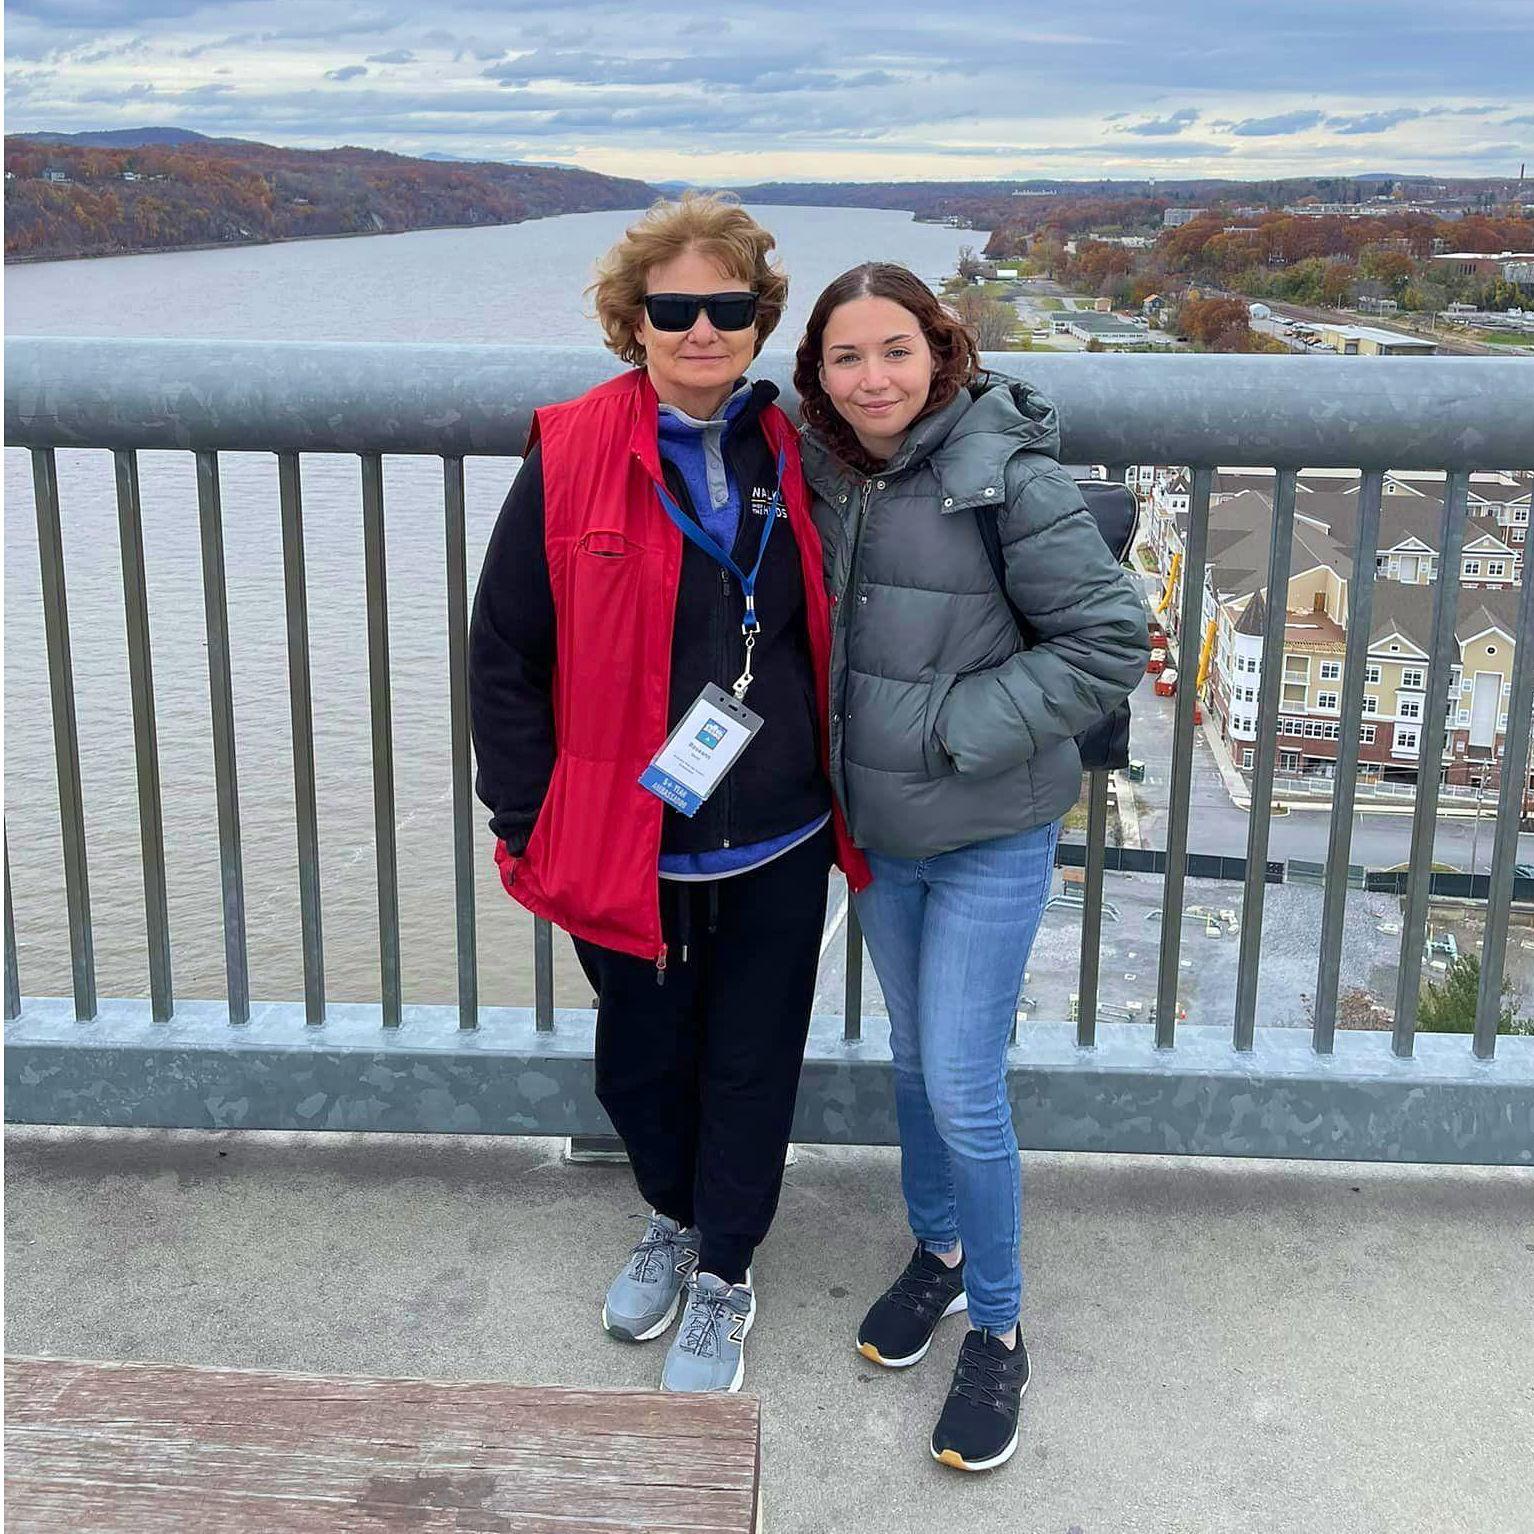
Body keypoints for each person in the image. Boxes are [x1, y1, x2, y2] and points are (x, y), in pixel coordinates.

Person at [468, 195, 867, 1395]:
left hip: (781, 826)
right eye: (674, 309)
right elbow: (505, 653)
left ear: (759, 323)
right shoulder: (573, 449)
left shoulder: (805, 450)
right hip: (627, 837)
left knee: (752, 1059)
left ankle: (726, 1269)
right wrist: (526, 817)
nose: (702, 330)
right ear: (631, 323)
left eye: (727, 308)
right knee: (641, 1061)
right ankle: (674, 1216)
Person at [793, 262, 1148, 1469]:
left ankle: (998, 1329)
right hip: (885, 834)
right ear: (818, 377)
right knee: (909, 1062)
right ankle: (937, 1255)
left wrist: (951, 729)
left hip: (990, 823)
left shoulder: (1007, 472)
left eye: (894, 349)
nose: (872, 376)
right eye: (845, 357)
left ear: (938, 350)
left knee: (960, 1081)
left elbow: (1108, 641)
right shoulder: (827, 471)